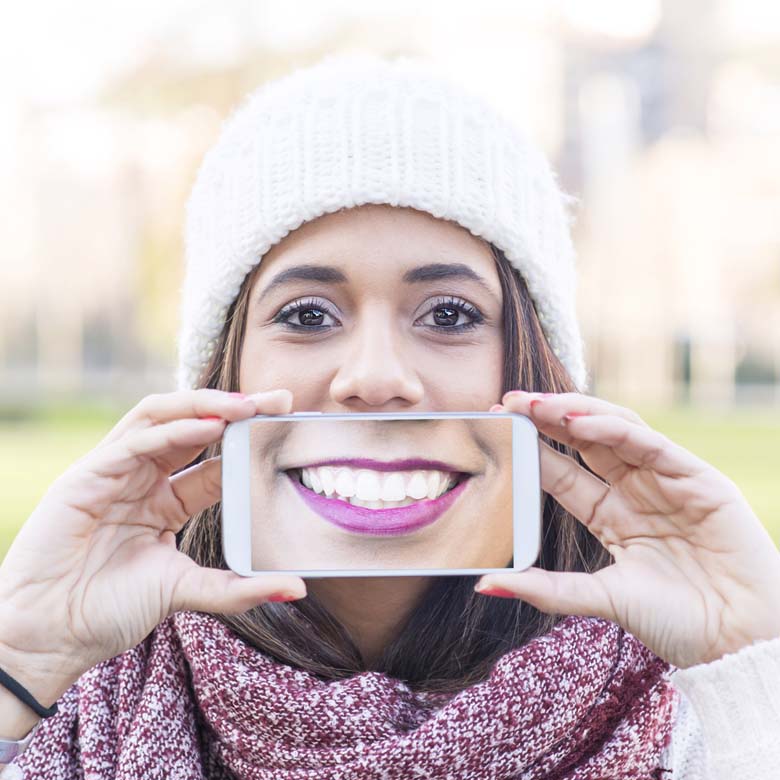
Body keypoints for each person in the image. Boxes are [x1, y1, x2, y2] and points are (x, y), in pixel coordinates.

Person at [1, 52, 778, 780]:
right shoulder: (67, 700)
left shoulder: (701, 713)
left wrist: (753, 664)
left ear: (535, 367)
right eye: (306, 316)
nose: (375, 379)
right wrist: (21, 659)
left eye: (448, 313)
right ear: (223, 369)